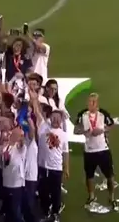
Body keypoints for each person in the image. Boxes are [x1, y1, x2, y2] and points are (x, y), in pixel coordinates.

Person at [74, 93, 117, 212]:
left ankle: (112, 197)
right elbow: (76, 130)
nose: (91, 104)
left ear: (97, 103)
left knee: (110, 175)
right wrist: (84, 131)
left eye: (93, 102)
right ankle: (91, 196)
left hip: (103, 149)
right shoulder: (82, 114)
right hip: (89, 150)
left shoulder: (103, 113)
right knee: (89, 176)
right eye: (90, 101)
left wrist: (102, 130)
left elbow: (111, 125)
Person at [32, 88, 68, 222]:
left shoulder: (63, 135)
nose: (56, 120)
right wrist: (34, 99)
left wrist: (66, 168)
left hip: (55, 168)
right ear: (50, 118)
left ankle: (55, 213)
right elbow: (37, 112)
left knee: (56, 192)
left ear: (61, 120)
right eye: (54, 117)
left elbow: (65, 152)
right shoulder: (43, 127)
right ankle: (46, 211)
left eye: (58, 118)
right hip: (43, 167)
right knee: (43, 191)